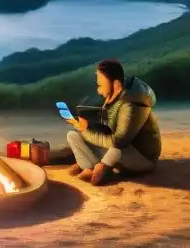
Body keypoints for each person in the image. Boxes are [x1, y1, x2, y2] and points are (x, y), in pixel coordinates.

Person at [66, 58, 161, 186]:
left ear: (116, 84)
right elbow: (108, 129)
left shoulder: (131, 104)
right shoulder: (113, 96)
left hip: (141, 157)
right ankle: (90, 166)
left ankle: (103, 169)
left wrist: (86, 131)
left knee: (116, 148)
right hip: (119, 150)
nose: (98, 89)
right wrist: (86, 126)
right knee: (73, 135)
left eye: (100, 85)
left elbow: (119, 141)